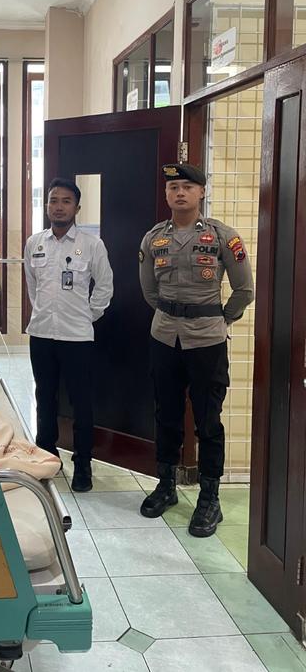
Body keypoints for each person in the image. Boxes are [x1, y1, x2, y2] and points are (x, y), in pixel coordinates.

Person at [138, 163, 254, 537]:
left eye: (188, 186)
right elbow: (149, 291)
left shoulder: (223, 236)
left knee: (208, 421)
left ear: (201, 192)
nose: (180, 193)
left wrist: (219, 320)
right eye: (173, 187)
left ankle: (209, 498)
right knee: (166, 414)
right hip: (164, 338)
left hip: (207, 340)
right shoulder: (153, 238)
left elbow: (244, 290)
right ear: (167, 194)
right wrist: (173, 314)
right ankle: (166, 485)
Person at [23, 177, 114, 492]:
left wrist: (87, 316)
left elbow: (105, 286)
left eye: (65, 201)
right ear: (46, 205)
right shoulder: (35, 243)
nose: (58, 207)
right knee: (44, 397)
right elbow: (33, 287)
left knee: (81, 401)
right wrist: (44, 312)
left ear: (76, 207)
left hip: (77, 337)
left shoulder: (91, 244)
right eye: (53, 200)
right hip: (41, 334)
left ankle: (83, 463)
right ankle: (46, 455)